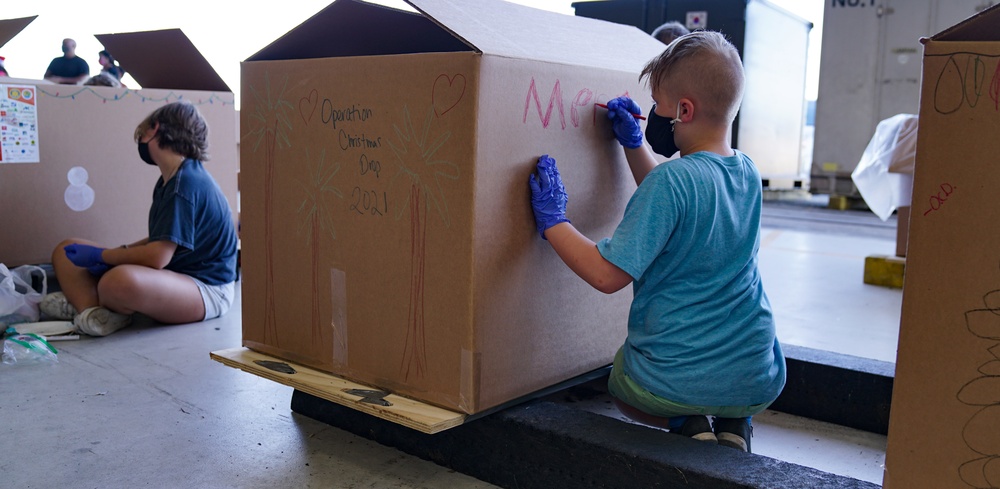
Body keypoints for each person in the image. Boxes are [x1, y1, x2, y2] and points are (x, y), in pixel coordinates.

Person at [527, 31, 785, 453]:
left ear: (684, 110)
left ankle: (688, 422)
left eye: (658, 107)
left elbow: (607, 274)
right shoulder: (747, 172)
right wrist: (634, 145)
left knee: (621, 385)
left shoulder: (672, 181)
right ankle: (735, 423)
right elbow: (676, 207)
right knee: (730, 376)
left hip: (671, 382)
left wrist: (555, 221)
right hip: (758, 375)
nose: (652, 116)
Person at [41, 101, 239, 336]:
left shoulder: (185, 184)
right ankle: (93, 313)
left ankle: (93, 305)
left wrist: (104, 256)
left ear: (155, 129)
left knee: (117, 282)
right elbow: (162, 239)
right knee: (67, 249)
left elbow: (157, 257)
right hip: (176, 275)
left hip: (207, 290)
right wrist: (117, 252)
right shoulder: (171, 179)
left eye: (143, 132)